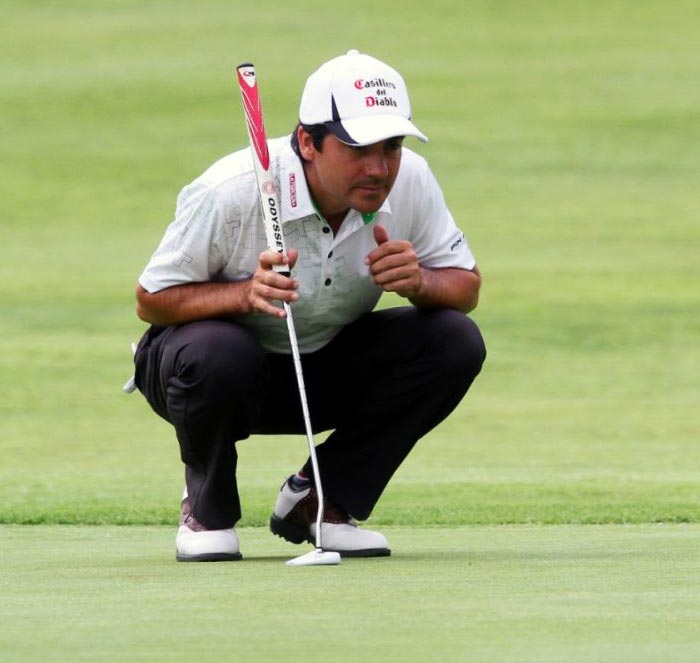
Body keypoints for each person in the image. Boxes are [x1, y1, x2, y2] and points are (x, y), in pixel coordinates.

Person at [132, 49, 486, 562]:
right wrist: (240, 295)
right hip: (211, 376)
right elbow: (151, 300)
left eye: (392, 146)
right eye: (357, 148)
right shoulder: (230, 190)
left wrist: (421, 282)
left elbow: (465, 288)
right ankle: (206, 511)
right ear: (307, 142)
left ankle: (322, 501)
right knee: (218, 349)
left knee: (454, 340)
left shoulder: (411, 180)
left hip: (321, 368)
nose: (379, 167)